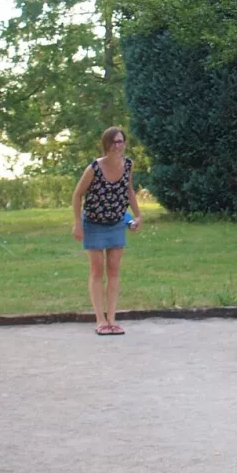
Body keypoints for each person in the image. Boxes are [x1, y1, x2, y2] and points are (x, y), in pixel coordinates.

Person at [71, 127, 142, 335]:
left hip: (116, 221)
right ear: (106, 145)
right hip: (93, 222)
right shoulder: (94, 168)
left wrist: (137, 215)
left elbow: (128, 189)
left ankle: (112, 319)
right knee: (97, 269)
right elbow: (77, 195)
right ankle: (100, 320)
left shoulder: (128, 165)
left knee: (114, 270)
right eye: (113, 142)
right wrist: (78, 223)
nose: (117, 146)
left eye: (121, 141)